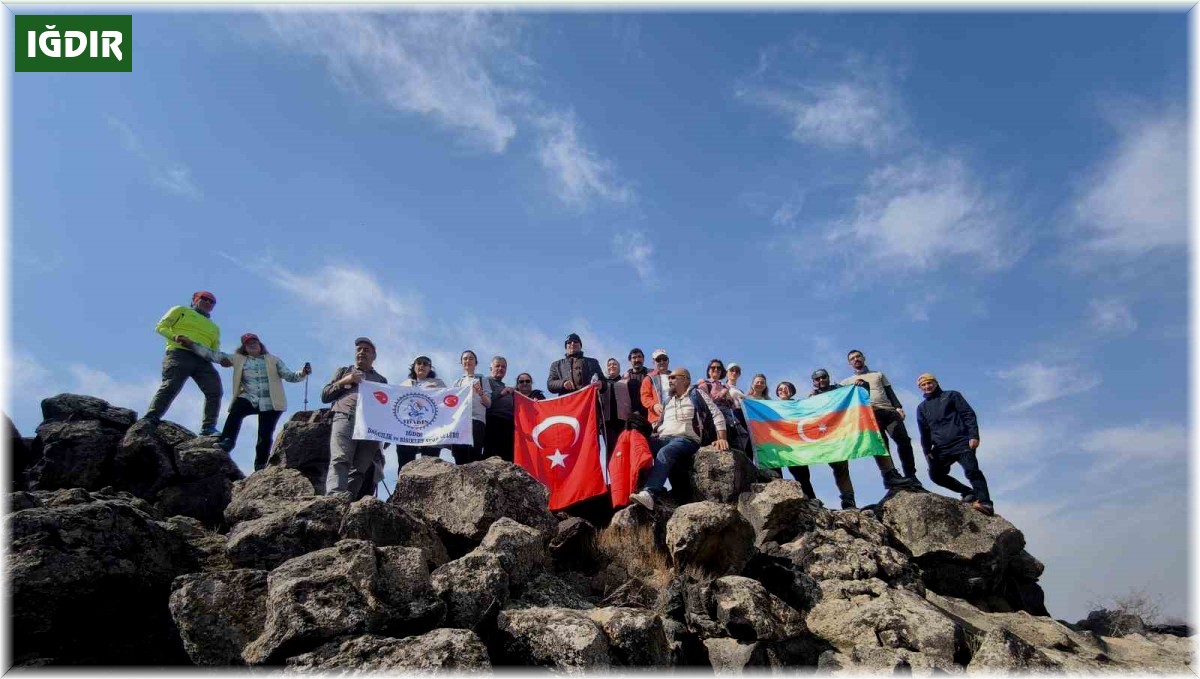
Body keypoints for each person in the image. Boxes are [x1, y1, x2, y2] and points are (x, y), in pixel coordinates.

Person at [195, 333, 311, 471]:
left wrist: (303, 373)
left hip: (271, 402)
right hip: (250, 397)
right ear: (244, 347)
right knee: (236, 411)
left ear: (260, 345)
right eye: (248, 343)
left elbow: (290, 376)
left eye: (255, 342)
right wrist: (191, 344)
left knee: (265, 434)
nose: (252, 344)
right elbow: (214, 355)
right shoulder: (238, 358)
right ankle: (227, 441)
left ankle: (260, 465)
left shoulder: (273, 360)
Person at [629, 368, 729, 511]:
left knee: (665, 452)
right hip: (663, 438)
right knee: (639, 444)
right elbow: (659, 424)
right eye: (669, 378)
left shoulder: (696, 394)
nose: (670, 380)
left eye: (673, 377)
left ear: (686, 379)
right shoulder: (667, 401)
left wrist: (722, 438)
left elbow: (716, 414)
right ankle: (637, 486)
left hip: (686, 439)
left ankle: (649, 493)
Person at [144, 291, 229, 435]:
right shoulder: (181, 310)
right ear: (195, 299)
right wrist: (175, 337)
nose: (208, 303)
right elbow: (160, 327)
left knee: (215, 391)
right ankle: (151, 416)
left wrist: (221, 360)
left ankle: (208, 427)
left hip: (202, 360)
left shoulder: (214, 328)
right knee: (172, 384)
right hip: (179, 353)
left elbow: (214, 350)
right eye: (205, 299)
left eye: (212, 302)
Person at [916, 373, 993, 516]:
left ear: (936, 383)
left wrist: (974, 435)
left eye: (929, 383)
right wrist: (927, 451)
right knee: (935, 474)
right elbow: (924, 432)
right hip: (941, 448)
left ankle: (985, 502)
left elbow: (968, 415)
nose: (927, 386)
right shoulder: (922, 408)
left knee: (972, 471)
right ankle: (968, 492)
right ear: (920, 388)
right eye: (923, 385)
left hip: (962, 442)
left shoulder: (952, 395)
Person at [841, 349, 922, 483]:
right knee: (881, 445)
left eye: (858, 356)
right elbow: (835, 395)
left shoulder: (878, 374)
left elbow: (889, 392)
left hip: (889, 411)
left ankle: (910, 475)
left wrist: (898, 407)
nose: (856, 359)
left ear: (863, 358)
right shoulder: (846, 382)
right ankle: (892, 475)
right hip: (869, 415)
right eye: (852, 359)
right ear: (849, 364)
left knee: (904, 440)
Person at [322, 337, 387, 498]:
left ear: (374, 356)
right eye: (359, 349)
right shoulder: (344, 371)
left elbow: (386, 407)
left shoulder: (381, 380)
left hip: (370, 426)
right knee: (340, 459)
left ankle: (348, 499)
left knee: (360, 467)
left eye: (366, 350)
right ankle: (335, 496)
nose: (361, 352)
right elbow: (325, 395)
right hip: (345, 416)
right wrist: (346, 381)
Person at [788, 368, 856, 509]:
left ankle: (848, 500)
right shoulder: (812, 397)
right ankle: (810, 498)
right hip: (819, 439)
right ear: (814, 382)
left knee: (841, 468)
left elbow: (856, 394)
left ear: (828, 377)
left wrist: (861, 385)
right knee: (802, 467)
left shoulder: (840, 390)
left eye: (823, 377)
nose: (821, 380)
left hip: (836, 437)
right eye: (817, 379)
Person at [395, 356, 447, 469]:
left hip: (431, 431)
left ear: (430, 368)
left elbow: (446, 404)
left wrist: (436, 392)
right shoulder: (404, 384)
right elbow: (395, 406)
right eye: (419, 363)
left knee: (430, 466)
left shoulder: (438, 383)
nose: (422, 365)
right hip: (407, 431)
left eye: (425, 364)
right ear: (414, 367)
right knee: (405, 465)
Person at [696, 359, 748, 452]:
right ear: (708, 371)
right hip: (713, 412)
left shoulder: (724, 386)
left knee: (742, 434)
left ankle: (736, 454)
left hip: (729, 413)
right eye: (713, 367)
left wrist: (729, 398)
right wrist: (720, 395)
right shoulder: (704, 383)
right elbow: (702, 401)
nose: (716, 369)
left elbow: (732, 404)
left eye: (719, 368)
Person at [451, 350, 491, 465]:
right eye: (465, 358)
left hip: (477, 421)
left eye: (471, 358)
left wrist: (481, 393)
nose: (467, 361)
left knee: (475, 456)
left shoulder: (482, 380)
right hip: (460, 423)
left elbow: (488, 404)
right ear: (461, 362)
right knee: (459, 456)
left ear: (476, 362)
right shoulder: (457, 383)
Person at [484, 356, 516, 462]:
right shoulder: (486, 381)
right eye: (497, 366)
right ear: (491, 368)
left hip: (508, 424)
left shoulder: (505, 386)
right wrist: (501, 393)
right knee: (492, 457)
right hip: (493, 422)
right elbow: (483, 399)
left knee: (507, 457)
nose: (500, 369)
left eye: (503, 367)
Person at [600, 358, 628, 456]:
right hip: (607, 422)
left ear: (619, 368)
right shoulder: (602, 384)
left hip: (623, 421)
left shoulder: (626, 381)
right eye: (609, 365)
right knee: (610, 450)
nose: (612, 366)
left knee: (623, 449)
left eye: (614, 364)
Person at [639, 348, 672, 424]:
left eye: (664, 359)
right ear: (653, 362)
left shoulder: (676, 376)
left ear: (668, 360)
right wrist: (654, 405)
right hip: (657, 419)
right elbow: (645, 397)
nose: (662, 362)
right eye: (658, 360)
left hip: (675, 417)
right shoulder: (649, 378)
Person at [624, 348, 650, 416]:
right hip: (632, 415)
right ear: (630, 360)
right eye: (634, 358)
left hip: (650, 412)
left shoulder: (651, 374)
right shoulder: (624, 378)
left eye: (639, 357)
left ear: (643, 359)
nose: (637, 360)